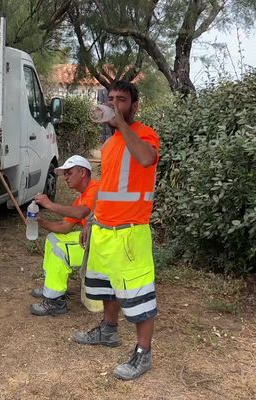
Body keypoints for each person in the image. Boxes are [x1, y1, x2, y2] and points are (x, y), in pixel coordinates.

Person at [73, 80, 159, 381]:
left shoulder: (144, 134)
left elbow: (147, 159)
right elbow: (107, 188)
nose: (114, 105)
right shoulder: (109, 144)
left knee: (138, 296)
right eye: (110, 99)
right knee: (107, 287)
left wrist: (121, 124)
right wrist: (91, 222)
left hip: (129, 232)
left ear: (134, 105)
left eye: (121, 100)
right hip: (104, 230)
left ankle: (142, 353)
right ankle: (108, 332)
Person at [29, 155, 99, 316]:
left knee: (59, 249)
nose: (65, 178)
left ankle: (55, 301)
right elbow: (64, 227)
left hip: (102, 247)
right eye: (65, 174)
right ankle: (51, 286)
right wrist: (41, 222)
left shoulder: (96, 189)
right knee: (53, 238)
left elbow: (83, 212)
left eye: (69, 173)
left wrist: (49, 204)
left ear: (82, 172)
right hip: (91, 242)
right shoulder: (79, 198)